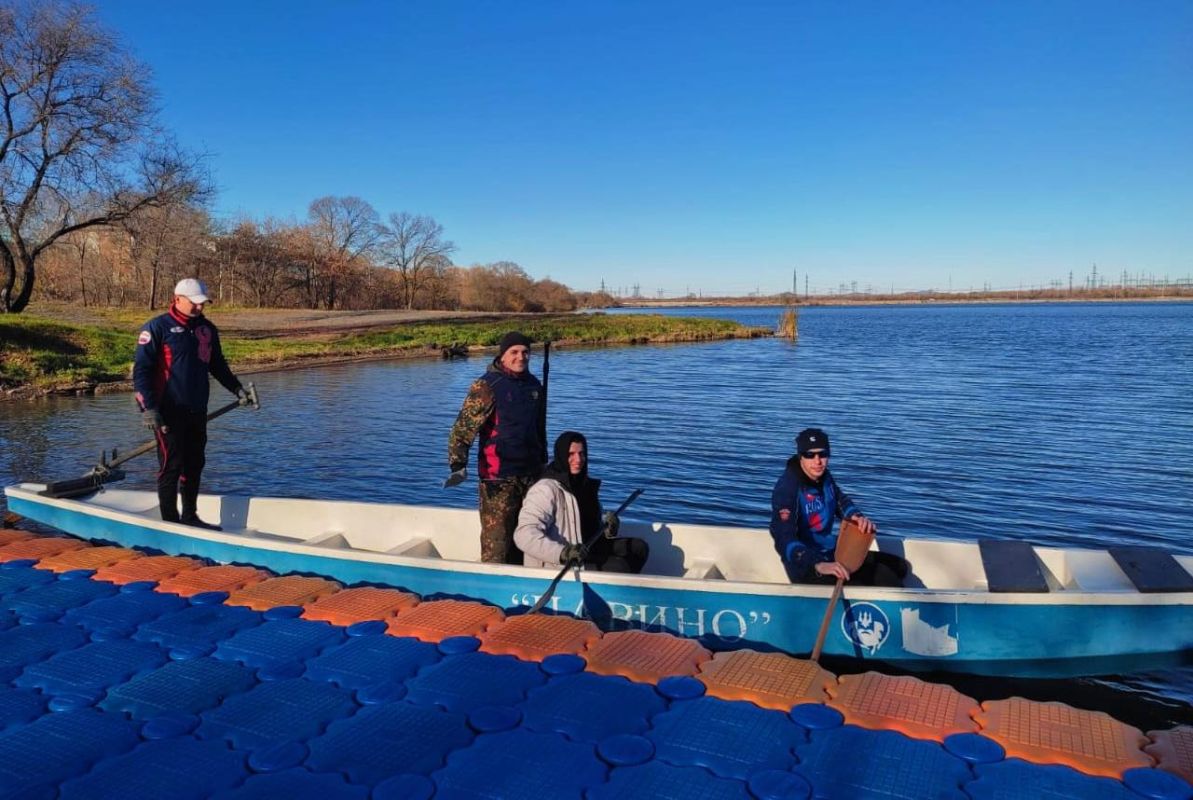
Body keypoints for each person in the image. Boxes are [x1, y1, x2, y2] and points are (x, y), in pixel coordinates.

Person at [133, 278, 249, 529]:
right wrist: (148, 408)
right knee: (171, 466)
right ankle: (170, 523)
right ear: (177, 299)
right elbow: (141, 372)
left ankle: (190, 517)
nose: (200, 308)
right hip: (167, 411)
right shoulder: (156, 328)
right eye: (195, 303)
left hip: (197, 409)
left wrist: (236, 389)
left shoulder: (207, 330)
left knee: (195, 464)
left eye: (203, 304)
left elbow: (217, 365)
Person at [447, 331, 547, 564]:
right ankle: (493, 595)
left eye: (525, 352)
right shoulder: (487, 386)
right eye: (514, 352)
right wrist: (458, 464)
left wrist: (545, 464)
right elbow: (462, 429)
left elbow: (539, 430)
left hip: (531, 477)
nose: (520, 357)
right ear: (503, 356)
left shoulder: (534, 385)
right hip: (498, 480)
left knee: (528, 541)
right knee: (498, 546)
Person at [769, 427, 906, 586]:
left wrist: (856, 517)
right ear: (800, 456)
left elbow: (840, 501)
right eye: (810, 455)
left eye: (823, 454)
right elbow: (783, 538)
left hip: (832, 551)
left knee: (899, 567)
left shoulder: (824, 477)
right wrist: (818, 564)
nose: (817, 461)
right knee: (888, 580)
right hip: (808, 566)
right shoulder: (787, 489)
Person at [515, 431, 648, 572]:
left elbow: (585, 525)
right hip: (559, 563)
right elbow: (524, 535)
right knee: (621, 567)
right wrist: (562, 553)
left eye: (581, 453)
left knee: (638, 548)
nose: (578, 459)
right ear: (561, 455)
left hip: (586, 549)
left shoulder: (585, 486)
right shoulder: (545, 490)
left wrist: (607, 528)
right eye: (571, 454)